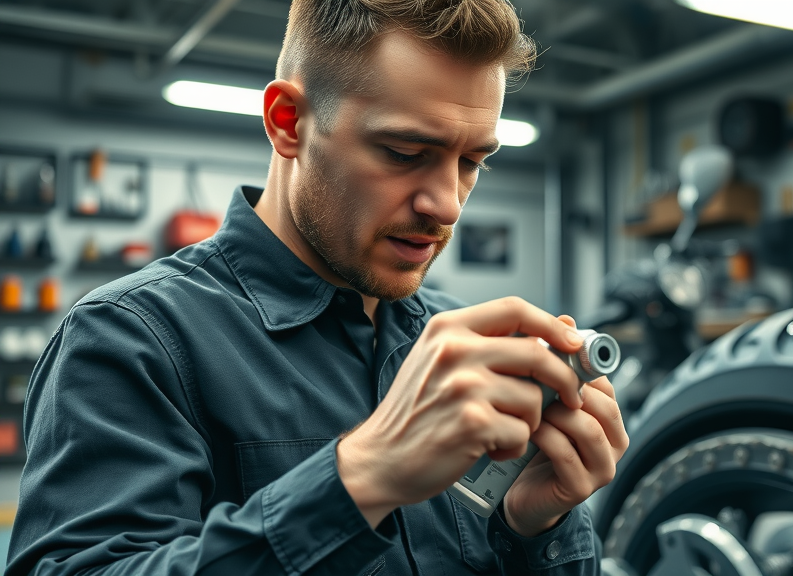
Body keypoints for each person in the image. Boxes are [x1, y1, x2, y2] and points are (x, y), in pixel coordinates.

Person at [6, 0, 629, 574]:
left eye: (471, 162)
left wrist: (531, 527)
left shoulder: (457, 347)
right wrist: (361, 477)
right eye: (404, 151)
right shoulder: (132, 339)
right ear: (288, 122)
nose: (448, 204)